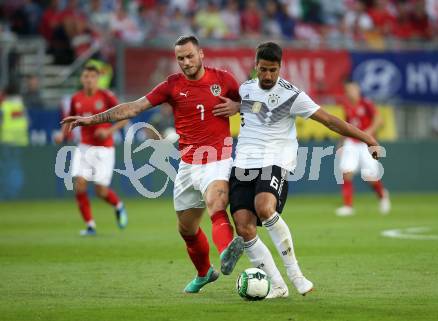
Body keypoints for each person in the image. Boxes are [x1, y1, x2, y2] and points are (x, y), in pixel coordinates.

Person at [61, 35, 245, 293]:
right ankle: (204, 273)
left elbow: (251, 103)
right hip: (188, 165)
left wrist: (237, 105)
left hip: (218, 157)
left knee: (216, 203)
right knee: (187, 228)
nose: (186, 62)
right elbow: (134, 108)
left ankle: (227, 251)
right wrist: (91, 120)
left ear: (201, 54)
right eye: (180, 58)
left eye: (190, 56)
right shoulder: (172, 85)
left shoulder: (223, 79)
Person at [214, 42, 381, 299]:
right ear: (255, 66)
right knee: (245, 229)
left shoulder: (292, 95)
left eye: (273, 70)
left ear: (281, 67)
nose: (268, 75)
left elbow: (329, 120)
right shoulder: (245, 89)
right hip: (242, 166)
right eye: (263, 70)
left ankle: (296, 275)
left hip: (274, 162)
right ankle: (278, 286)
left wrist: (367, 138)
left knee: (265, 207)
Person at [55, 65, 128, 236]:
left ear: (97, 79)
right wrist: (62, 134)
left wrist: (108, 131)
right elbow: (69, 120)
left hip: (104, 149)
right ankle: (90, 225)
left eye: (92, 77)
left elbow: (125, 117)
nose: (89, 80)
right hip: (84, 147)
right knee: (79, 184)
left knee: (100, 191)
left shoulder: (106, 96)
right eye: (86, 76)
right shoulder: (76, 98)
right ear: (82, 79)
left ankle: (118, 205)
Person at [335, 80, 391, 216]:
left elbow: (379, 120)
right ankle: (348, 206)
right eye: (348, 90)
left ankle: (382, 195)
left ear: (358, 90)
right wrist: (341, 142)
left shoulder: (366, 103)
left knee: (370, 177)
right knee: (346, 172)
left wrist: (369, 133)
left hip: (365, 144)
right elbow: (346, 126)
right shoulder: (347, 106)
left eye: (352, 90)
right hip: (351, 143)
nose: (350, 93)